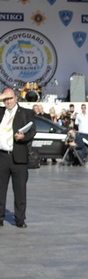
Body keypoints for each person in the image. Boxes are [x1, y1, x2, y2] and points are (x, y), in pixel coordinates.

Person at [0, 88, 36, 228]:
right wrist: (3, 95)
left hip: (18, 157)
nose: (8, 101)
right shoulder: (1, 112)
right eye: (5, 99)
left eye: (11, 98)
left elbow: (33, 130)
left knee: (20, 191)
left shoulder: (25, 113)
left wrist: (23, 137)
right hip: (2, 156)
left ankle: (20, 220)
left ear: (16, 98)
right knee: (0, 189)